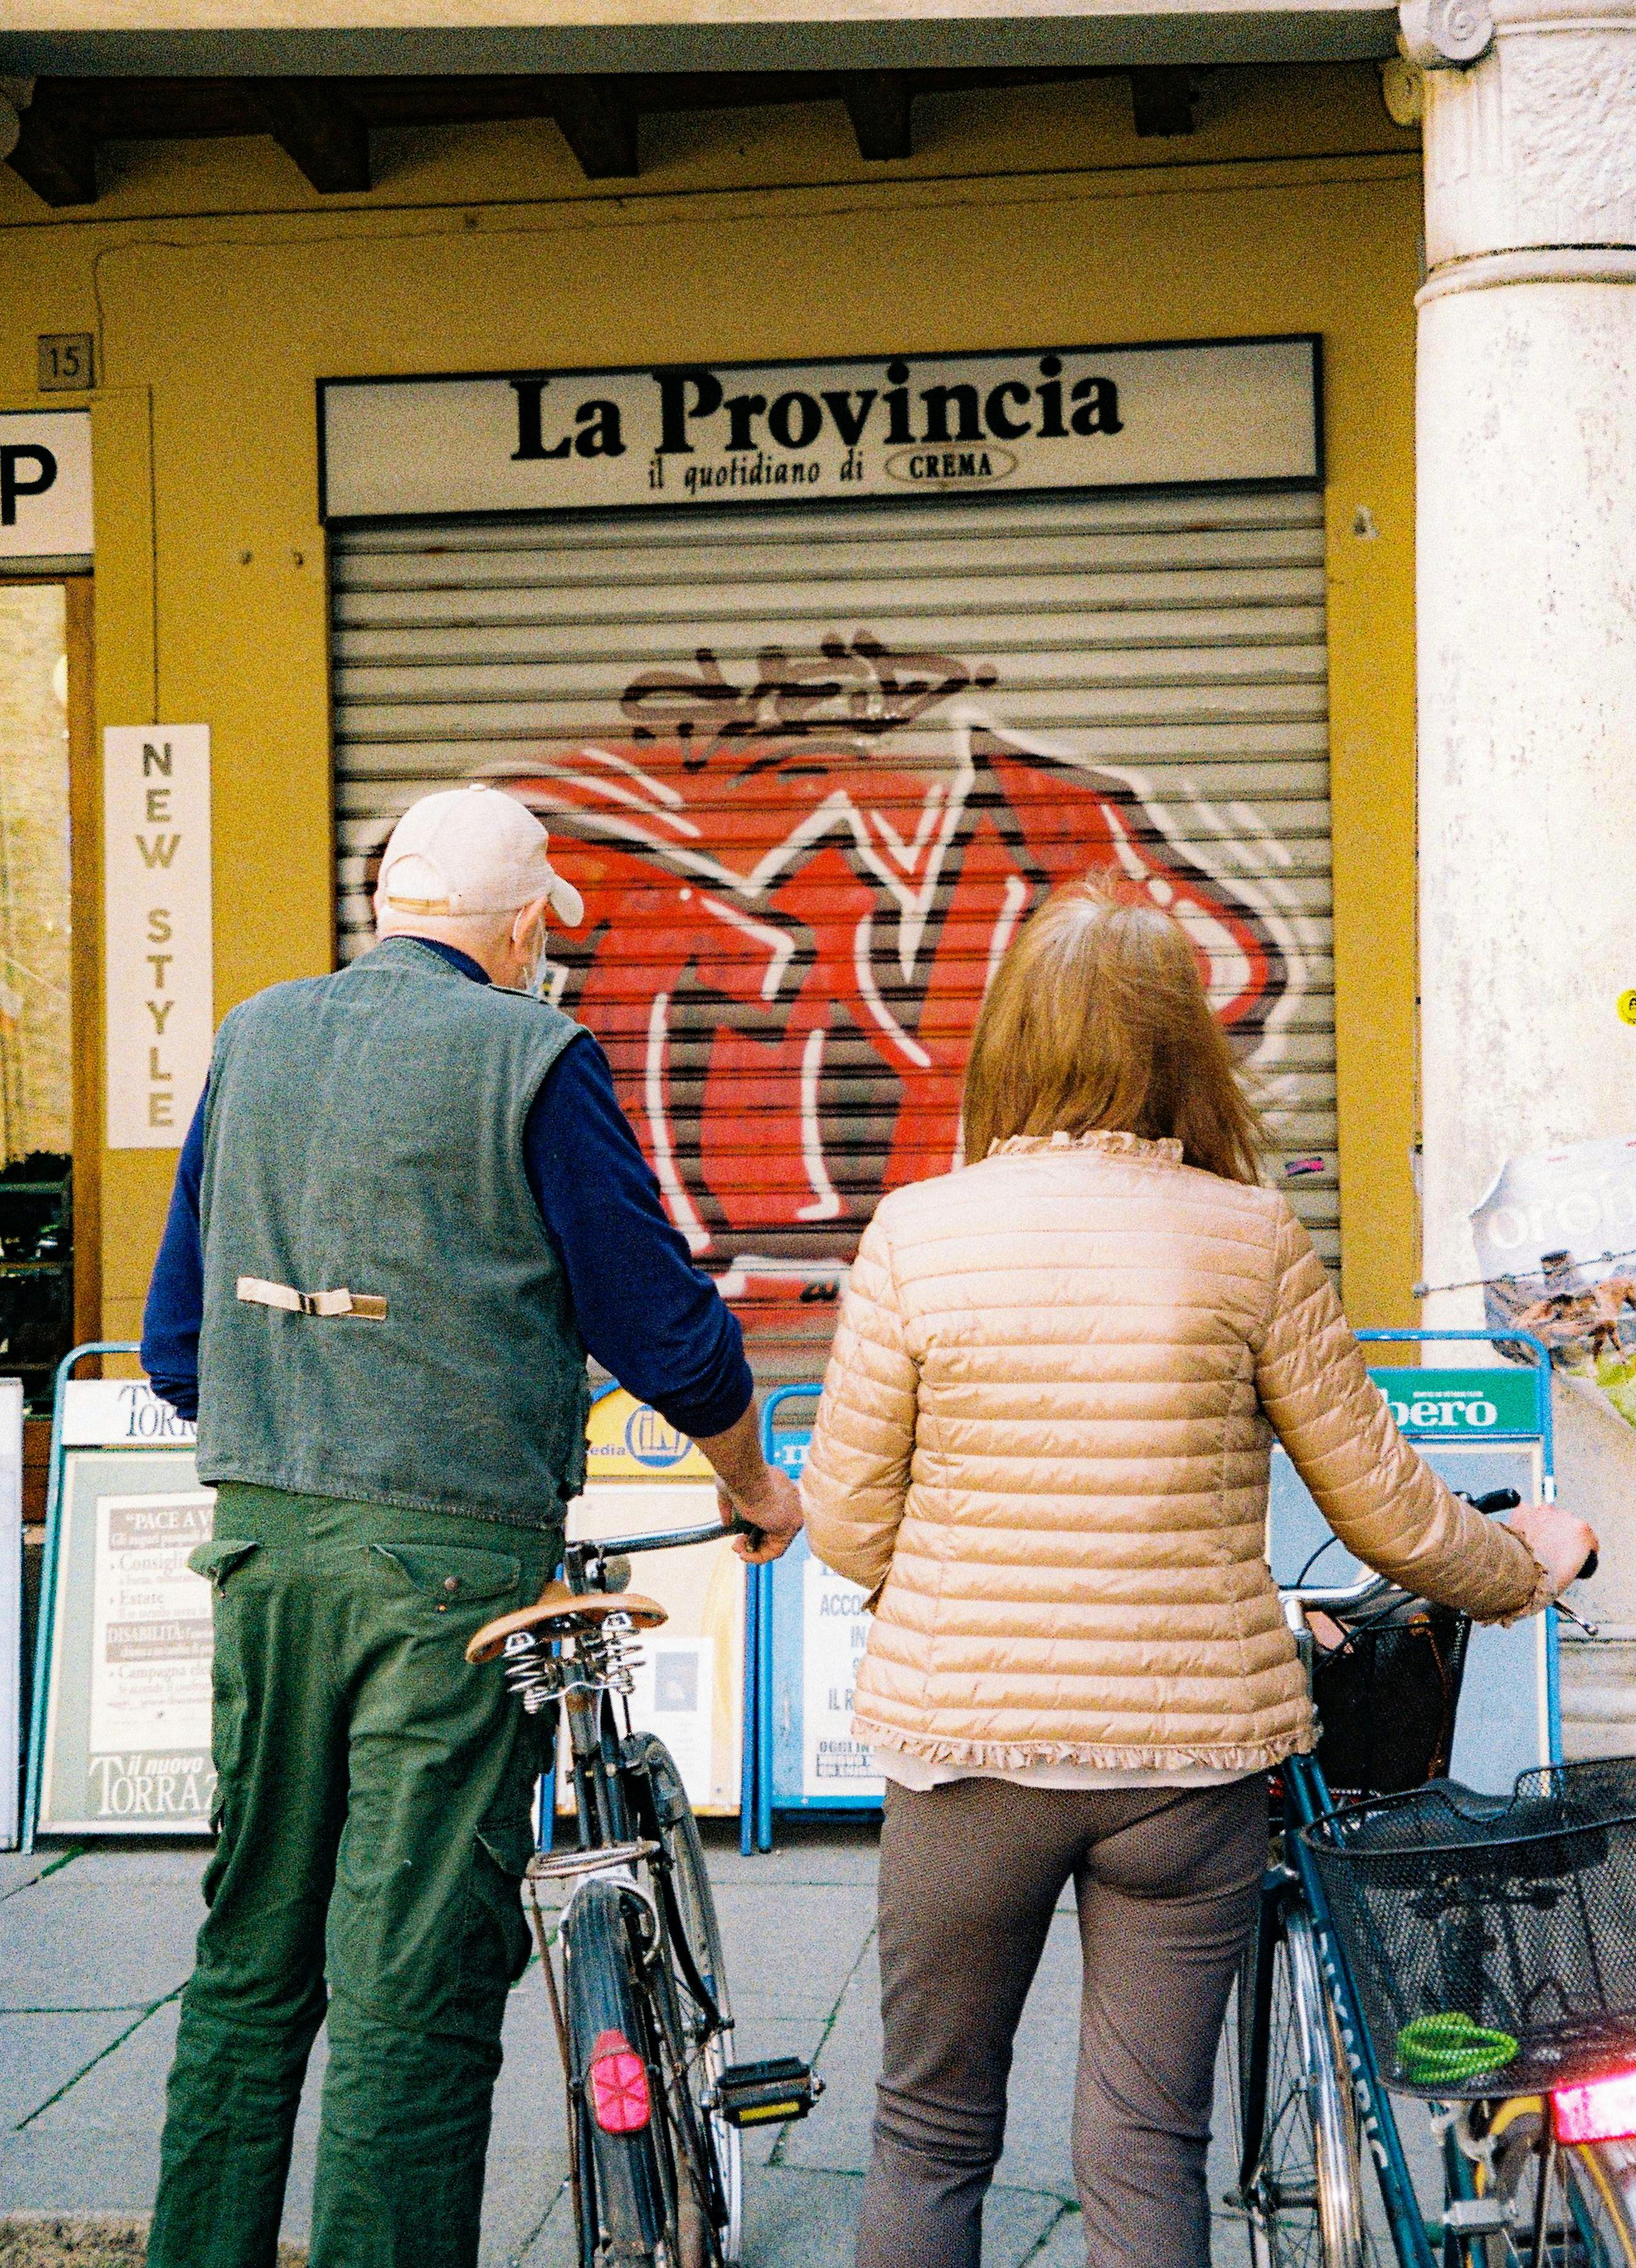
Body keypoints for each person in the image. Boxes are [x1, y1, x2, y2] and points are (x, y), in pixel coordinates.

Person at [801, 877, 1597, 2268]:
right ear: (1185, 1048)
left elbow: (848, 1528)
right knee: (1145, 2146)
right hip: (1187, 1767)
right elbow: (1389, 1516)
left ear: (1007, 1044)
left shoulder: (916, 1236)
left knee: (927, 2136)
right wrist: (1520, 1563)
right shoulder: (1247, 1238)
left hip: (965, 1763)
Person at [137, 784, 802, 2268]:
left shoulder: (252, 1036)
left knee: (249, 1955)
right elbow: (662, 1327)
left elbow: (176, 1345)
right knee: (413, 1977)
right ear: (519, 927)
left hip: (261, 1548)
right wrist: (752, 1483)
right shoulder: (533, 1052)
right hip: (449, 1570)